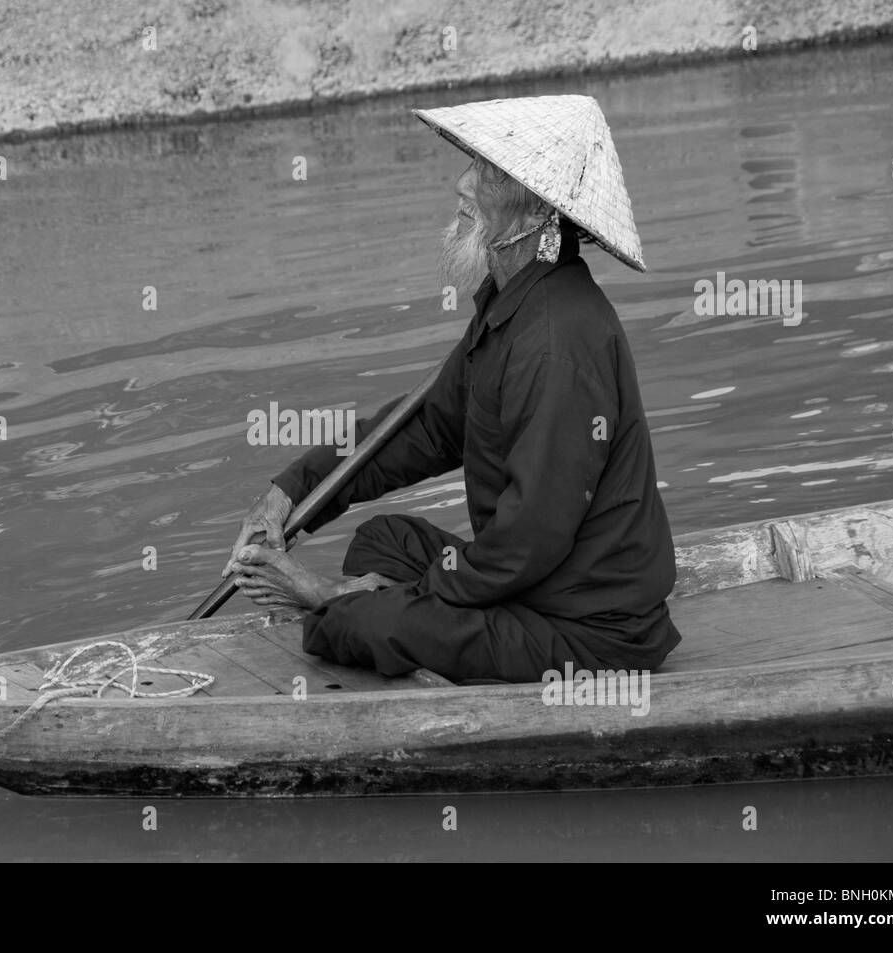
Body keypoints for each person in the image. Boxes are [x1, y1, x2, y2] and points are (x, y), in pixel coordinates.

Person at [223, 95, 681, 684]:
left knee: (353, 626)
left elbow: (526, 542)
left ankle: (338, 601)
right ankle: (360, 600)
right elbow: (428, 429)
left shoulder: (556, 341)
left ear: (536, 212)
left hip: (590, 629)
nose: (461, 184)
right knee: (382, 540)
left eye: (486, 173)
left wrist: (339, 595)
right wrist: (291, 492)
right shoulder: (514, 305)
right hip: (531, 588)